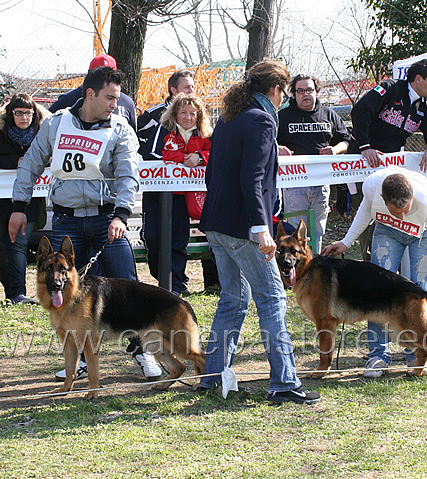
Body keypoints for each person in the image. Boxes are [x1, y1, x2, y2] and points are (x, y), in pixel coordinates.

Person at [9, 66, 162, 380]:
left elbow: (128, 174)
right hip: (66, 220)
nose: (114, 105)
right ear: (89, 94)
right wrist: (19, 206)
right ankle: (75, 361)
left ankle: (142, 352)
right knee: (65, 295)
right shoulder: (56, 123)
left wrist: (121, 215)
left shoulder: (120, 129)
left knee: (127, 289)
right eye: (109, 97)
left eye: (117, 99)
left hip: (108, 220)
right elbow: (31, 165)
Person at [198, 60, 320, 404]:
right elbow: (252, 180)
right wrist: (261, 229)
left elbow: (215, 174)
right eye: (283, 92)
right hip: (243, 227)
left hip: (217, 223)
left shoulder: (229, 118)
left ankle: (212, 376)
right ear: (275, 90)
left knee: (234, 299)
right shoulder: (263, 120)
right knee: (271, 297)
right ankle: (284, 383)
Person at [322, 166, 427, 378]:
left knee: (419, 293)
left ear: (412, 196)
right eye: (396, 211)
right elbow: (366, 210)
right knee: (377, 293)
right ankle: (378, 356)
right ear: (382, 198)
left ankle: (416, 357)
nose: (403, 216)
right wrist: (346, 242)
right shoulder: (371, 186)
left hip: (423, 236)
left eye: (406, 209)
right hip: (387, 232)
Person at [277, 74, 351, 252]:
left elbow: (346, 140)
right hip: (294, 182)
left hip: (321, 182)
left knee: (318, 229)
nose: (305, 94)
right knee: (297, 230)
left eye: (309, 90)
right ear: (294, 93)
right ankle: (297, 266)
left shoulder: (329, 115)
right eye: (300, 91)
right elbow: (267, 141)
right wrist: (278, 148)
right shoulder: (283, 116)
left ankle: (314, 263)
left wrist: (335, 149)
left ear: (316, 91)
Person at [147, 93, 211, 295]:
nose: (188, 117)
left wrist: (200, 158)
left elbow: (215, 153)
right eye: (183, 112)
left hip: (185, 196)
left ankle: (175, 285)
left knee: (178, 241)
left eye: (193, 113)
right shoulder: (163, 130)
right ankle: (161, 279)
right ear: (174, 113)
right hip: (158, 195)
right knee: (153, 238)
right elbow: (155, 153)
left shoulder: (204, 135)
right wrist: (183, 158)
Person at [0, 94, 49, 304]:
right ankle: (12, 292)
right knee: (4, 245)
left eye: (28, 113)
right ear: (11, 115)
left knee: (18, 243)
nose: (24, 117)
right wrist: (15, 161)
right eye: (18, 113)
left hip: (30, 201)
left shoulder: (42, 134)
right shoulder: (2, 134)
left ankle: (18, 292)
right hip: (2, 200)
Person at [49, 54, 137, 131]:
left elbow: (133, 137)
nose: (114, 105)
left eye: (109, 76)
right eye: (99, 76)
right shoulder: (68, 100)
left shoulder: (127, 102)